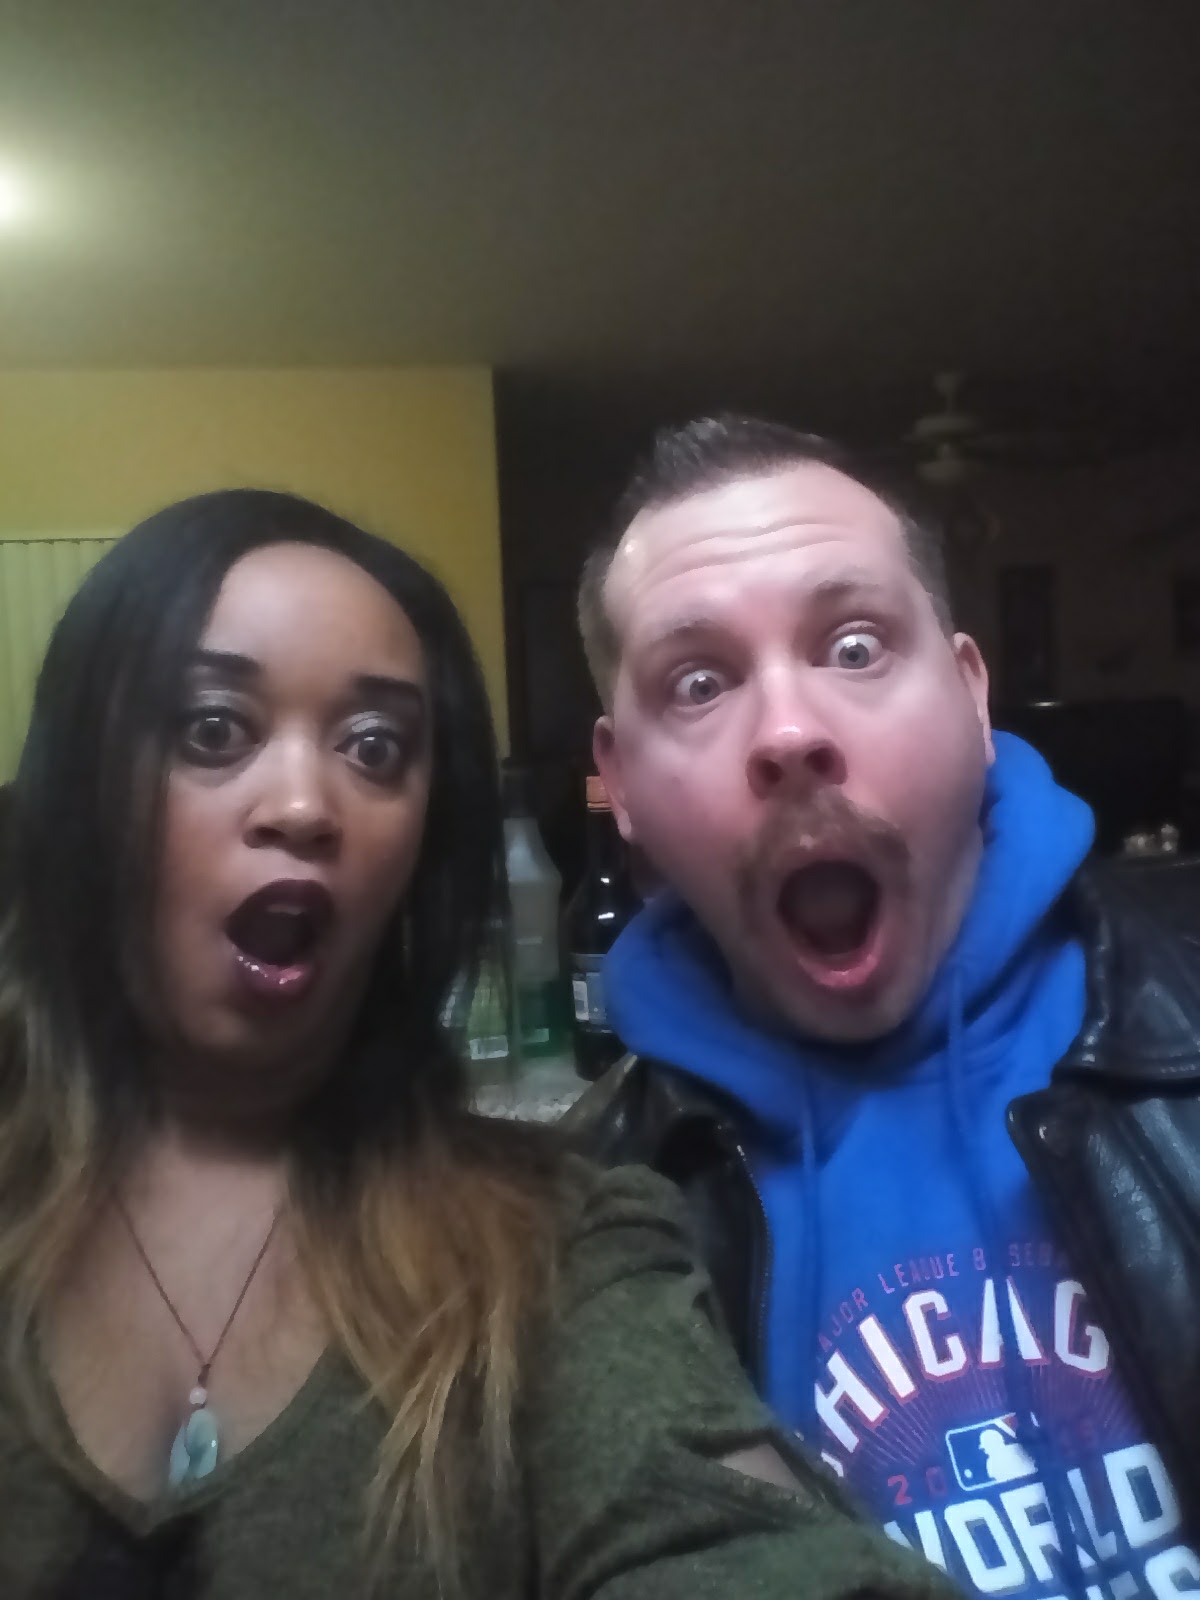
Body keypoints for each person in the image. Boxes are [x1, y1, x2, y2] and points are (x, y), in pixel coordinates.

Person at [0, 487, 954, 1600]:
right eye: (215, 730)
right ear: (81, 781)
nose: (305, 804)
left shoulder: (561, 1246)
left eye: (375, 747)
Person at [569, 416, 1200, 1600]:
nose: (790, 732)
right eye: (698, 682)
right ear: (621, 785)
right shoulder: (587, 1229)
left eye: (854, 647)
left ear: (972, 693)